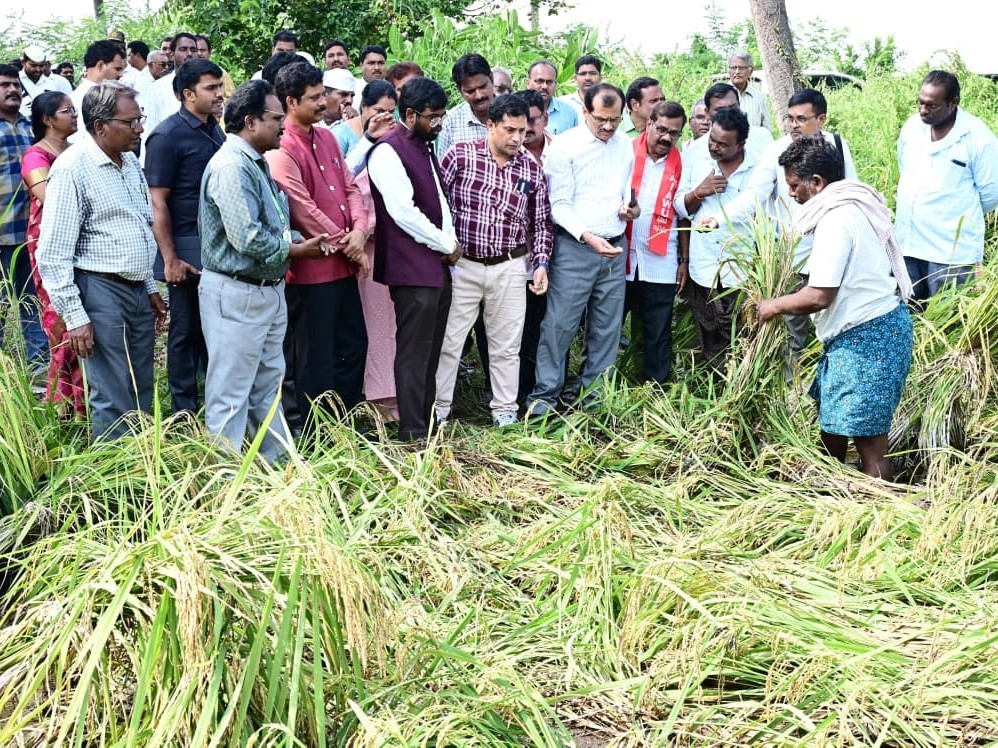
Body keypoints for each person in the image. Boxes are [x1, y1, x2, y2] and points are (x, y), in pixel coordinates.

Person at [758, 135, 914, 479]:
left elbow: (819, 295)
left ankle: (880, 505)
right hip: (865, 335)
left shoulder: (836, 220)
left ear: (817, 182)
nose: (790, 193)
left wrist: (773, 305)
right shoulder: (852, 206)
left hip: (869, 339)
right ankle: (831, 490)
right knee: (833, 426)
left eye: (794, 185)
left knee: (870, 444)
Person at [198, 79, 328, 462]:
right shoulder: (231, 167)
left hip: (265, 290)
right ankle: (226, 477)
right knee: (231, 392)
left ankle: (275, 467)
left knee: (267, 386)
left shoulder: (256, 163)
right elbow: (248, 238)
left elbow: (272, 225)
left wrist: (297, 240)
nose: (283, 125)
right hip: (237, 291)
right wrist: (295, 249)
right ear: (251, 122)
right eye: (275, 118)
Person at [35, 82, 168, 438]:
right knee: (111, 390)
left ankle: (142, 461)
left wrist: (149, 285)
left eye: (140, 120)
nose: (139, 129)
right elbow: (52, 253)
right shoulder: (72, 168)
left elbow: (140, 225)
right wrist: (76, 317)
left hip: (135, 289)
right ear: (100, 126)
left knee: (140, 384)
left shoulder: (129, 162)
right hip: (99, 289)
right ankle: (114, 466)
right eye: (130, 122)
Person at [698, 88, 856, 355]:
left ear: (821, 119)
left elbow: (851, 192)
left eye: (801, 119)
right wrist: (718, 219)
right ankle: (795, 379)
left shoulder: (837, 145)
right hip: (793, 256)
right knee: (793, 333)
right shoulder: (776, 151)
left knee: (837, 325)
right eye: (790, 118)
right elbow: (755, 196)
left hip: (835, 252)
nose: (794, 125)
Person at [435, 94, 553, 427]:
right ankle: (439, 409)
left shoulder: (530, 168)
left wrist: (540, 264)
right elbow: (437, 205)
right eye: (509, 130)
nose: (517, 138)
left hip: (510, 265)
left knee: (506, 345)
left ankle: (504, 411)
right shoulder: (460, 156)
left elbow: (541, 223)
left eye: (522, 131)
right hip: (463, 264)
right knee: (450, 340)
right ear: (490, 125)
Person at [267, 62, 370, 427]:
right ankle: (316, 433)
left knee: (354, 345)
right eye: (314, 97)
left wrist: (359, 232)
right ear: (291, 102)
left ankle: (346, 422)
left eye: (323, 94)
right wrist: (350, 243)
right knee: (314, 357)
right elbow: (303, 210)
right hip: (312, 272)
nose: (323, 102)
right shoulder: (281, 146)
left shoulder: (326, 137)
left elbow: (351, 187)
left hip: (343, 264)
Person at [526, 82, 638, 417]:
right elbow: (558, 204)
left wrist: (630, 209)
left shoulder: (624, 145)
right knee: (559, 326)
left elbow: (626, 191)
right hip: (575, 248)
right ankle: (544, 400)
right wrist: (587, 236)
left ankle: (594, 398)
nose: (608, 126)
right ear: (585, 111)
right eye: (601, 119)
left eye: (615, 119)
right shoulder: (565, 147)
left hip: (614, 246)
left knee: (607, 328)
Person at [367, 77, 461, 441]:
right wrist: (445, 243)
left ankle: (426, 422)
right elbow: (403, 212)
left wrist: (450, 241)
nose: (438, 123)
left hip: (436, 266)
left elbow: (438, 200)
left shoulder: (423, 146)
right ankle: (412, 430)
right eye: (432, 117)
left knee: (432, 350)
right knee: (413, 352)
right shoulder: (388, 151)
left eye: (442, 116)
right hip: (412, 268)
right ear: (409, 114)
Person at [145, 58, 225, 415]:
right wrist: (170, 259)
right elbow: (157, 202)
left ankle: (213, 403)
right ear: (188, 94)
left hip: (215, 245)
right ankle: (183, 413)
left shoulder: (215, 129)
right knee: (184, 331)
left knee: (212, 330)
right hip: (185, 247)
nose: (220, 94)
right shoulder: (166, 136)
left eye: (220, 86)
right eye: (211, 88)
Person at [896, 69, 998, 302]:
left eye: (932, 105)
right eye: (920, 103)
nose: (923, 110)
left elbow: (991, 193)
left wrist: (953, 211)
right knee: (908, 310)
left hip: (950, 252)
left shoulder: (977, 137)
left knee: (946, 314)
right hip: (909, 244)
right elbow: (904, 168)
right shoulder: (912, 127)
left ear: (953, 103)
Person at [674, 108, 758, 370]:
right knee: (709, 333)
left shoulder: (757, 166)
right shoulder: (696, 156)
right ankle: (715, 381)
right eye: (712, 139)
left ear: (741, 144)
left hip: (742, 265)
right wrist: (699, 192)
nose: (714, 147)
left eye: (723, 144)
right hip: (704, 264)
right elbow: (679, 208)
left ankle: (742, 381)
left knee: (744, 333)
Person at [20, 91, 84, 412]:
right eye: (66, 111)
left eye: (74, 109)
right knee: (61, 317)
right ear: (47, 120)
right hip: (51, 244)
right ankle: (63, 405)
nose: (74, 115)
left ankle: (85, 401)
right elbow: (49, 198)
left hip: (82, 242)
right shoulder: (35, 156)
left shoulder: (79, 150)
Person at [344, 84, 400, 419]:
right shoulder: (350, 145)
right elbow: (346, 186)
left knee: (396, 327)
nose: (385, 118)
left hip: (397, 255)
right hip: (368, 255)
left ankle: (398, 394)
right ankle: (378, 398)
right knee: (376, 327)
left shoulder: (398, 147)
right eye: (378, 111)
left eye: (391, 112)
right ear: (363, 109)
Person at [624, 101, 687, 384]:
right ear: (649, 124)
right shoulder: (625, 152)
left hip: (660, 258)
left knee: (658, 328)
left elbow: (685, 215)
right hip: (621, 254)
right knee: (608, 324)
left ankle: (655, 387)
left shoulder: (682, 162)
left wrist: (683, 260)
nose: (666, 137)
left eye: (674, 133)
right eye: (661, 129)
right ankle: (599, 384)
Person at [1, 64, 47, 371]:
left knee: (33, 300)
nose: (13, 90)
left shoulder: (33, 127)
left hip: (31, 232)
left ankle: (39, 368)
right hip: (2, 231)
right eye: (4, 85)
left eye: (16, 85)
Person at [516, 89, 553, 405]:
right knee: (518, 328)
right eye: (522, 121)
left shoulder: (563, 150)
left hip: (557, 254)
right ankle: (516, 392)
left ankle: (544, 390)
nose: (528, 128)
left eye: (534, 120)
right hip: (518, 258)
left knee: (548, 325)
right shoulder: (508, 156)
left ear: (545, 118)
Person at [141, 32, 198, 155]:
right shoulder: (157, 88)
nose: (189, 54)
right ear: (172, 55)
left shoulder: (206, 85)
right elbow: (149, 129)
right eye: (183, 49)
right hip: (168, 154)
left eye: (193, 50)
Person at [436, 52, 494, 157]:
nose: (479, 96)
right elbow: (442, 164)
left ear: (492, 78)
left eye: (482, 87)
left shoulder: (514, 111)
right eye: (470, 91)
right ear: (459, 90)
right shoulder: (450, 123)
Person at [69, 41, 125, 141]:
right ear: (100, 65)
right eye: (117, 69)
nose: (121, 75)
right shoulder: (76, 100)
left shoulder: (114, 95)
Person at [525, 59, 576, 135]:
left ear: (555, 85)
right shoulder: (515, 109)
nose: (544, 86)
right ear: (527, 83)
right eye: (539, 81)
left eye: (549, 82)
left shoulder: (569, 113)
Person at [19, 45, 72, 117]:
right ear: (23, 62)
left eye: (41, 66)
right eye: (33, 65)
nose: (38, 70)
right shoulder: (15, 81)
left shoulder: (51, 84)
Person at [727, 50, 772, 130]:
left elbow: (766, 130)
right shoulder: (719, 95)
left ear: (750, 72)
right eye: (734, 68)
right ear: (729, 71)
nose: (737, 72)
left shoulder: (760, 98)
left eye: (741, 68)